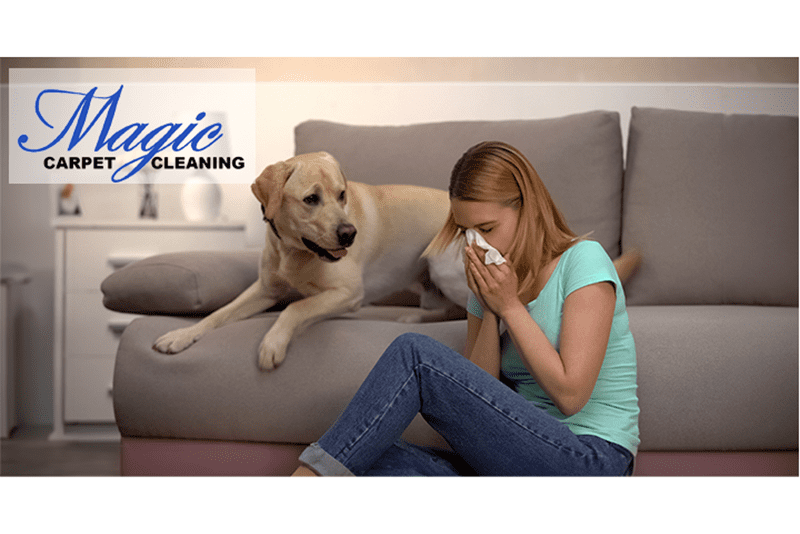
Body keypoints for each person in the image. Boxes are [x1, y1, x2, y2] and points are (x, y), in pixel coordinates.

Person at [292, 141, 640, 476]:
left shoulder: (584, 260)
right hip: (515, 459)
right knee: (368, 462)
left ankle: (300, 486)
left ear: (527, 208)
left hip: (590, 460)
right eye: (466, 232)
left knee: (415, 354)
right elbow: (479, 398)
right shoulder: (490, 282)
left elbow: (571, 395)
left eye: (487, 228)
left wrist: (510, 307)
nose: (477, 244)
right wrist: (489, 307)